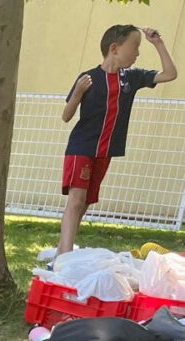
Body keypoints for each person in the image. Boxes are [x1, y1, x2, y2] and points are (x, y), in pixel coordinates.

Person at [59, 24, 177, 256]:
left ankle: (62, 251)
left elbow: (170, 74)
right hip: (82, 147)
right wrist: (78, 93)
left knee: (84, 203)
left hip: (106, 151)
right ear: (114, 48)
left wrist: (158, 43)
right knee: (76, 200)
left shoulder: (132, 78)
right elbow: (66, 116)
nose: (138, 53)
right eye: (135, 46)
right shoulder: (88, 78)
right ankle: (64, 256)